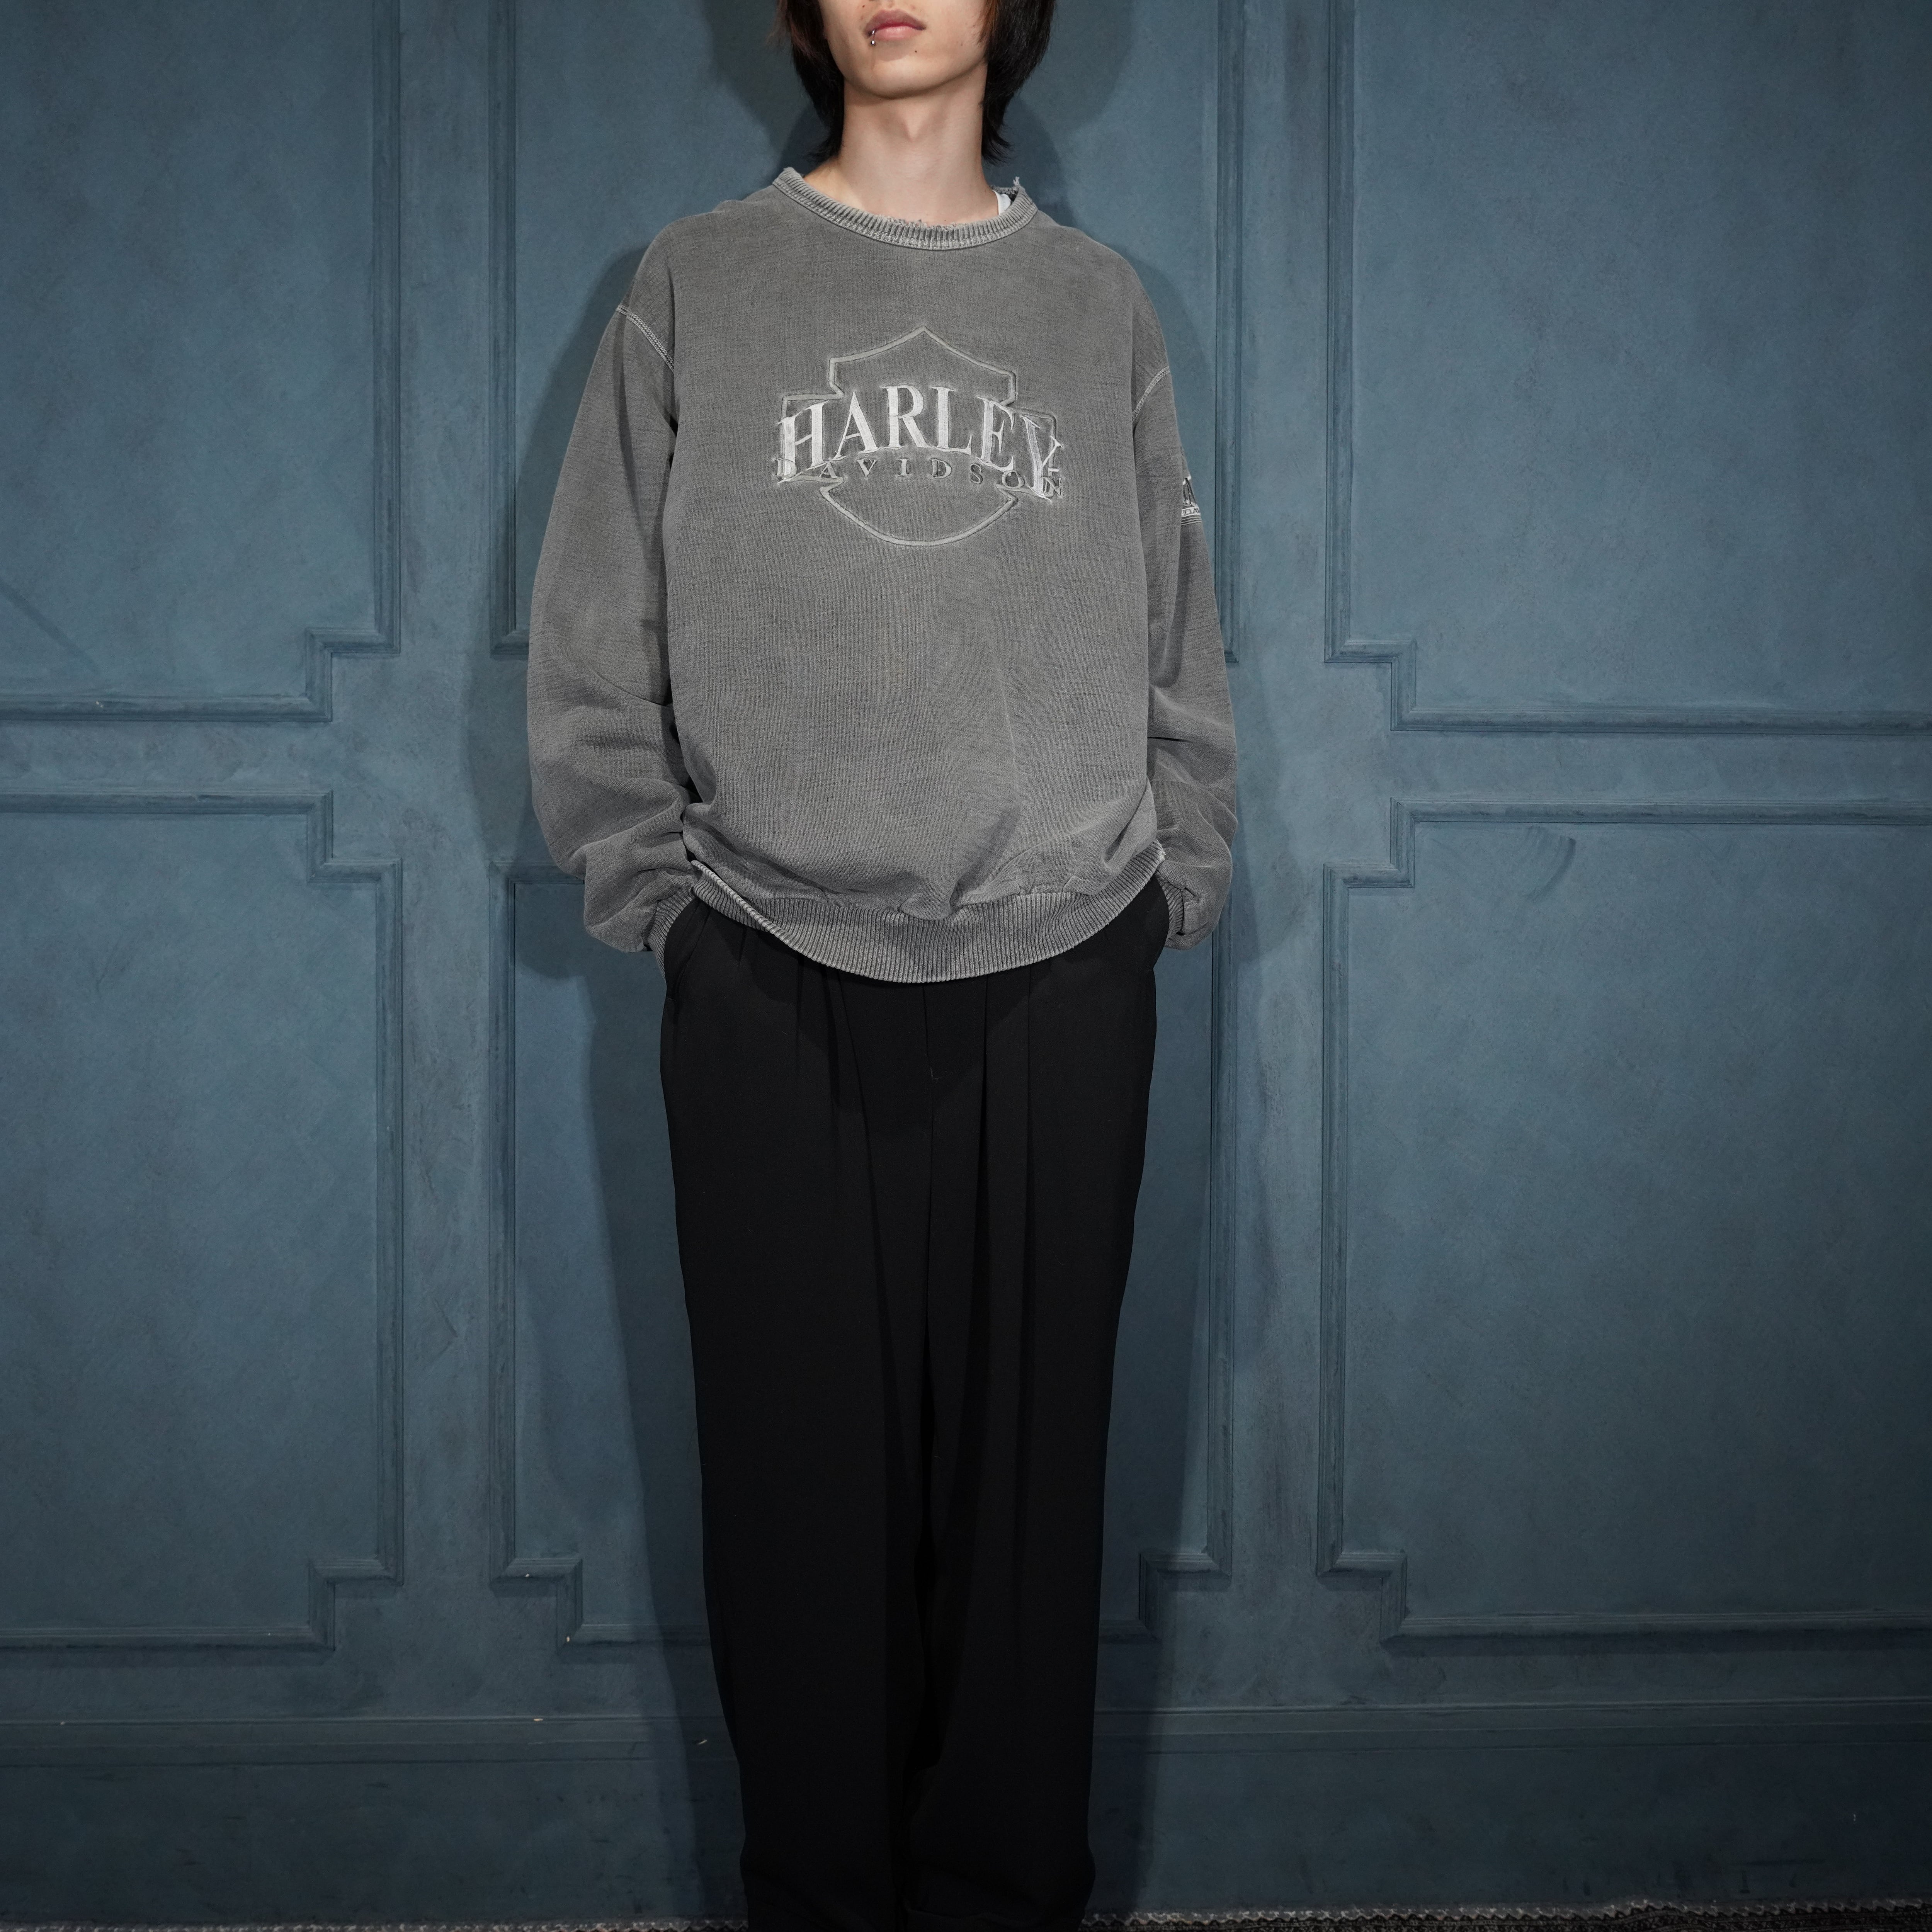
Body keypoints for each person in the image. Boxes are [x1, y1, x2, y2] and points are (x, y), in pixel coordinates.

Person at [524, 2, 1237, 1927]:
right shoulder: (694, 284)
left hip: (1064, 962)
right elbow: (591, 640)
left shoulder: (1095, 308)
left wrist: (1170, 880)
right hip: (763, 962)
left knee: (1023, 1528)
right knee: (797, 1516)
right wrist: (661, 901)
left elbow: (1178, 635)